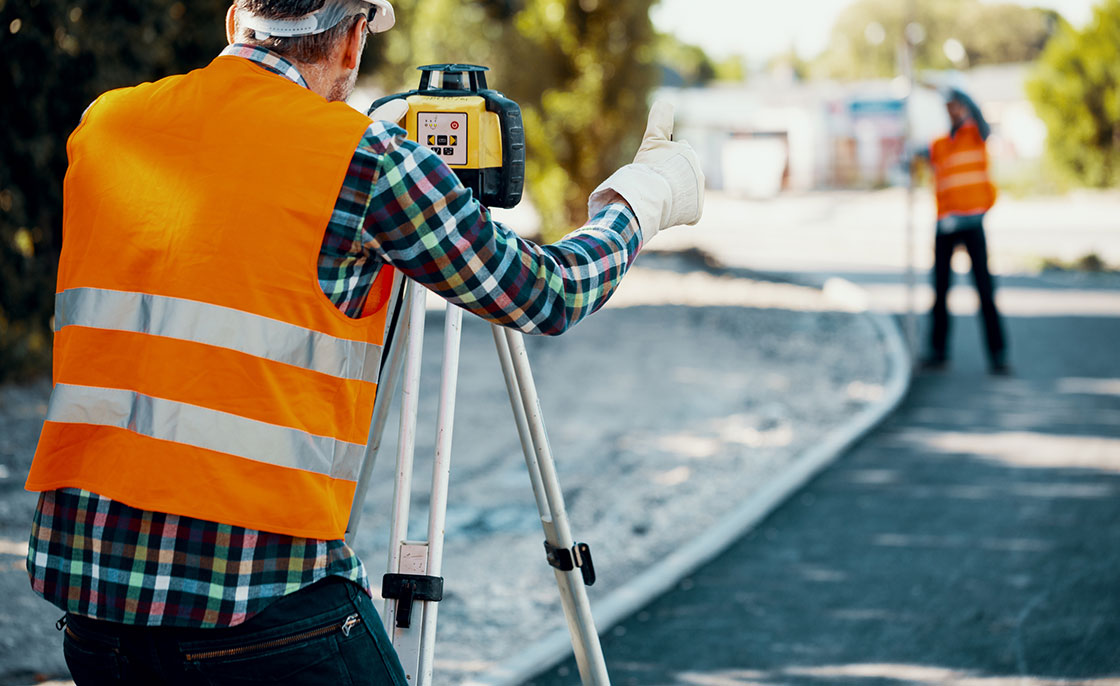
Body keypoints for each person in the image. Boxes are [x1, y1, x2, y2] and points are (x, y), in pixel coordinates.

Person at [23, 1, 704, 684]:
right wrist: (638, 203)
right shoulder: (368, 161)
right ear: (352, 43)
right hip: (261, 612)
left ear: (235, 24)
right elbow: (544, 294)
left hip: (93, 613)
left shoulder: (106, 125)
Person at [920, 87, 1009, 374]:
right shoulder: (940, 144)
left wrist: (949, 86)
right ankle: (937, 351)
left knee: (984, 290)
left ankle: (998, 355)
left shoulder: (977, 134)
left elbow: (975, 108)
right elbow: (918, 158)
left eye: (957, 105)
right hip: (945, 224)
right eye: (949, 106)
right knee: (940, 290)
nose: (954, 110)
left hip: (972, 223)